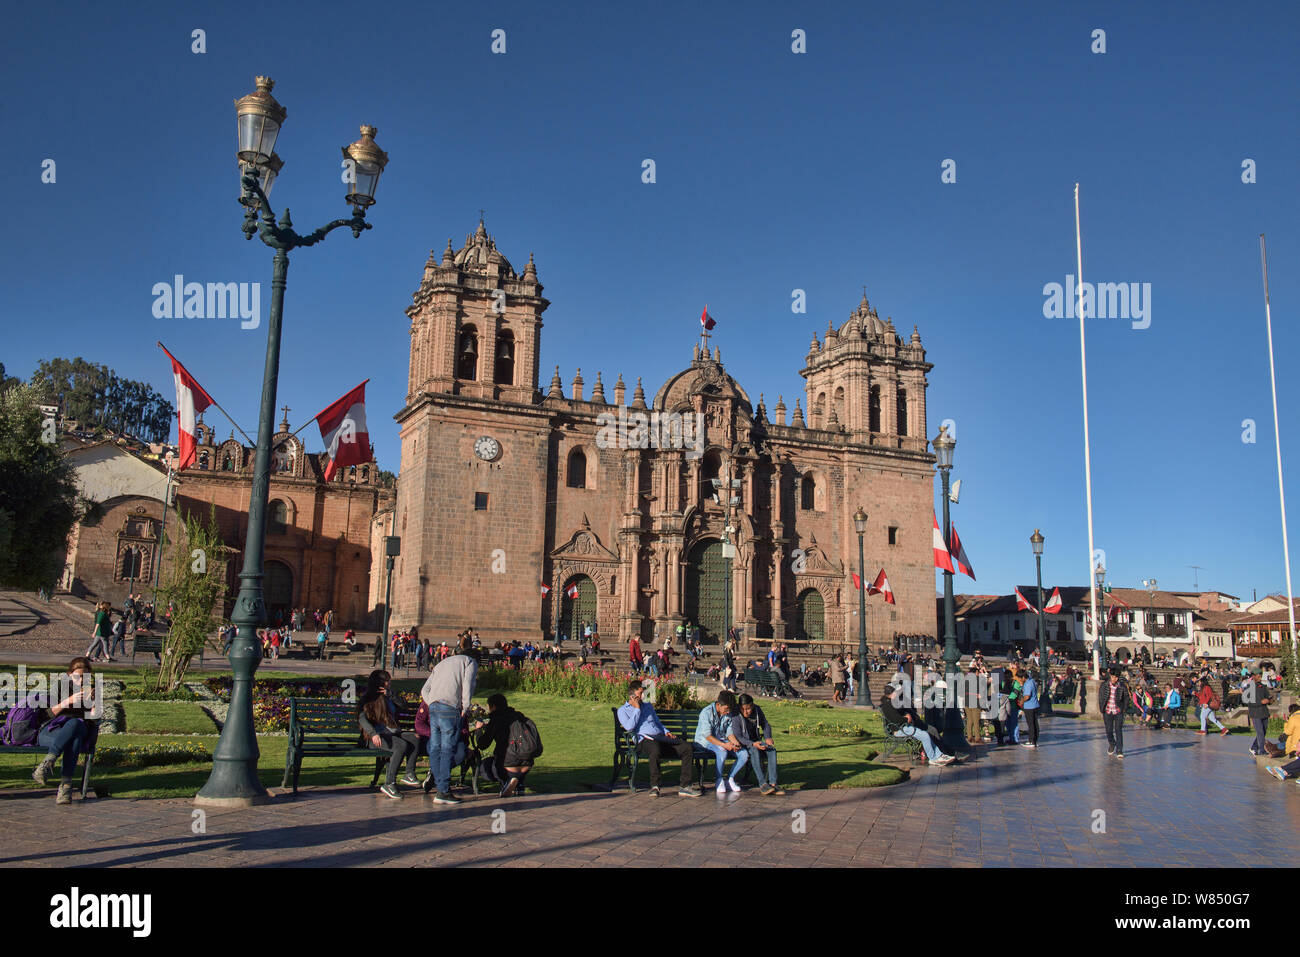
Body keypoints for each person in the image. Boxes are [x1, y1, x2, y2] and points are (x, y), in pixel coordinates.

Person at [23, 657, 99, 804]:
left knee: (75, 724)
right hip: (53, 730)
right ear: (69, 674)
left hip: (81, 728)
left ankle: (47, 764)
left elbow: (94, 720)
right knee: (73, 739)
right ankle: (65, 788)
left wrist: (94, 703)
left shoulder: (93, 691)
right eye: (78, 676)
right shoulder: (59, 687)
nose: (82, 680)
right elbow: (46, 715)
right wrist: (67, 701)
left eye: (86, 676)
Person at [617, 679, 702, 798]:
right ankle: (655, 786)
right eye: (640, 694)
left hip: (660, 737)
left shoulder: (648, 706)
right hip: (643, 740)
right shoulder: (623, 710)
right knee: (655, 749)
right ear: (632, 695)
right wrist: (636, 709)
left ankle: (685, 786)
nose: (642, 696)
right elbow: (629, 727)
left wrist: (667, 732)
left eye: (643, 693)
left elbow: (657, 722)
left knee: (686, 747)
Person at [420, 635, 479, 804]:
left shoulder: (442, 663)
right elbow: (467, 686)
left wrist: (432, 702)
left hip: (434, 708)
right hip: (450, 709)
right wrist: (465, 707)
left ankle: (440, 787)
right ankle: (443, 791)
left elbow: (425, 689)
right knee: (447, 749)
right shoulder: (470, 662)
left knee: (435, 748)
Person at [357, 670, 422, 799]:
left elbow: (404, 706)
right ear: (379, 682)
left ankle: (409, 773)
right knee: (401, 745)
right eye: (387, 680)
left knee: (414, 739)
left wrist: (391, 695)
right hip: (375, 737)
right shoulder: (369, 698)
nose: (389, 683)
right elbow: (361, 718)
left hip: (392, 734)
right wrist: (373, 733)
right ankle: (389, 783)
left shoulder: (388, 696)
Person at [471, 693, 539, 796]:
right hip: (527, 763)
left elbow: (483, 744)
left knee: (484, 768)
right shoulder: (519, 716)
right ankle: (518, 784)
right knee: (511, 759)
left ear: (493, 706)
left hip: (507, 763)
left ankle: (506, 782)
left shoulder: (496, 719)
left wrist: (479, 730)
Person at [879, 683, 953, 765]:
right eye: (896, 692)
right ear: (892, 693)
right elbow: (896, 719)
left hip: (904, 727)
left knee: (926, 734)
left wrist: (907, 716)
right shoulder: (887, 705)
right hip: (899, 729)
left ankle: (939, 755)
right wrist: (906, 718)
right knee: (925, 735)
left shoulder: (892, 702)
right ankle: (933, 758)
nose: (898, 693)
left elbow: (902, 712)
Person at [695, 690, 748, 792]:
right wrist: (725, 745)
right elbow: (708, 736)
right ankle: (719, 779)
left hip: (722, 740)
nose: (728, 712)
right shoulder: (706, 713)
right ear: (718, 705)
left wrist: (734, 742)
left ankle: (730, 779)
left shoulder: (728, 713)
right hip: (705, 742)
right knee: (722, 751)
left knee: (744, 754)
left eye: (729, 710)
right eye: (726, 709)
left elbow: (729, 732)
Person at [732, 693, 784, 795]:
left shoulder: (757, 710)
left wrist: (768, 737)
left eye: (748, 709)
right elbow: (738, 736)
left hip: (757, 741)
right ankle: (762, 783)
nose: (746, 712)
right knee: (754, 751)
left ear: (752, 705)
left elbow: (765, 724)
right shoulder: (736, 715)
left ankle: (773, 783)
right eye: (743, 709)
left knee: (771, 750)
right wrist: (752, 744)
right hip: (744, 744)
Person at [1244, 670, 1274, 757]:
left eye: (1260, 675)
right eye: (1258, 675)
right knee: (1260, 732)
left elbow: (1267, 697)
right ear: (1253, 676)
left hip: (1264, 712)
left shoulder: (1263, 687)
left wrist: (1269, 700)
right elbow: (1248, 702)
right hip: (1255, 713)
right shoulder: (1249, 687)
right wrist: (1261, 702)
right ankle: (1261, 750)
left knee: (1263, 732)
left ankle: (1254, 747)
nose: (1260, 676)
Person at [1101, 667, 1128, 759]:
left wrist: (1124, 709)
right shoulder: (1104, 685)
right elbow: (1101, 697)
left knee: (1118, 730)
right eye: (1113, 677)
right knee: (1108, 730)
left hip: (1118, 710)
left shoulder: (1122, 686)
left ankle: (1119, 750)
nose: (1114, 679)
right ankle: (1112, 743)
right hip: (1108, 710)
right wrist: (1102, 708)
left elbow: (1126, 698)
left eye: (1116, 677)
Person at [1019, 669, 1040, 748]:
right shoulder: (1032, 681)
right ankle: (1035, 740)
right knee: (1035, 723)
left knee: (1030, 724)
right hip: (1035, 705)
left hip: (1029, 706)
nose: (1020, 680)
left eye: (1020, 678)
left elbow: (1027, 696)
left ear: (1024, 677)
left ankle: (1031, 741)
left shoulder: (1028, 684)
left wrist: (1022, 701)